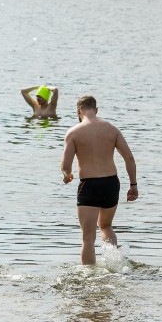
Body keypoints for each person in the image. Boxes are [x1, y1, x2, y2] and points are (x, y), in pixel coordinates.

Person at [60, 95, 138, 265]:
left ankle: (90, 276)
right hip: (111, 183)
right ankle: (114, 265)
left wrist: (67, 175)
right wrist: (133, 185)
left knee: (88, 238)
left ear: (78, 111)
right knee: (106, 226)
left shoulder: (73, 132)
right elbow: (129, 158)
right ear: (96, 109)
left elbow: (66, 165)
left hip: (89, 184)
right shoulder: (111, 129)